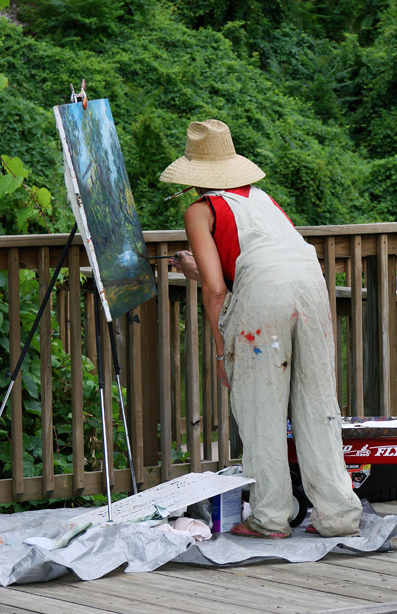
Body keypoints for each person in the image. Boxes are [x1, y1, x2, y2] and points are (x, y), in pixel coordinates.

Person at [160, 119, 362, 539]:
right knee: (317, 403)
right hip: (310, 284)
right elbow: (258, 266)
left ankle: (270, 518)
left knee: (261, 409)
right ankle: (338, 515)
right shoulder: (264, 200)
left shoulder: (200, 210)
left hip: (262, 303)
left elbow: (218, 292)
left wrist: (222, 352)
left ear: (192, 176)